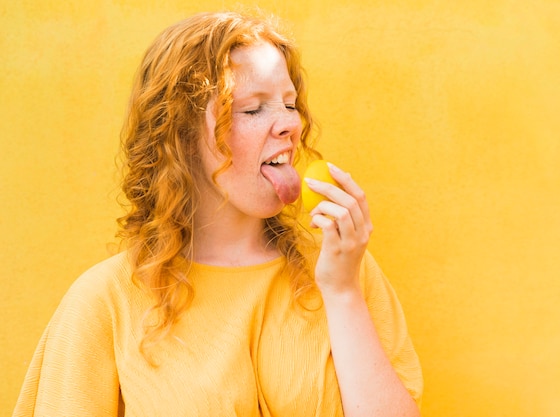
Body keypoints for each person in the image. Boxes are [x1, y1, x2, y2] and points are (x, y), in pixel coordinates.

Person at [13, 9, 423, 417]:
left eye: (289, 103)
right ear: (182, 136)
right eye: (252, 109)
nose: (288, 126)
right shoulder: (106, 300)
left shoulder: (344, 267)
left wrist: (343, 291)